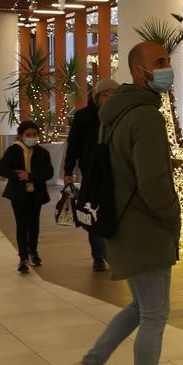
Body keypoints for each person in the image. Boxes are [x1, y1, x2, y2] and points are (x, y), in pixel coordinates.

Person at [60, 41, 183, 365]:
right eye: (159, 63)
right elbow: (153, 183)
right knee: (155, 314)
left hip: (120, 225)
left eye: (167, 60)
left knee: (140, 308)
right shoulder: (146, 117)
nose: (167, 68)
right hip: (144, 229)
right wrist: (173, 220)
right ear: (138, 71)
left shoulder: (114, 114)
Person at [63, 77, 119, 271]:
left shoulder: (121, 116)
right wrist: (68, 170)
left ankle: (111, 252)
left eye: (114, 93)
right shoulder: (83, 116)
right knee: (92, 212)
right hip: (92, 173)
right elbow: (74, 144)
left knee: (112, 212)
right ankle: (98, 255)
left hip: (117, 173)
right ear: (97, 97)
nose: (110, 97)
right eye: (105, 93)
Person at [0, 120, 54, 273]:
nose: (31, 137)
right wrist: (16, 175)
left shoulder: (43, 153)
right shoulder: (13, 151)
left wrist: (30, 176)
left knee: (34, 224)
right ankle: (23, 258)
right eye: (28, 135)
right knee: (21, 225)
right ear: (21, 136)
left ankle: (33, 252)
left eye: (34, 135)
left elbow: (49, 173)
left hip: (36, 194)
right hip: (18, 194)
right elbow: (1, 168)